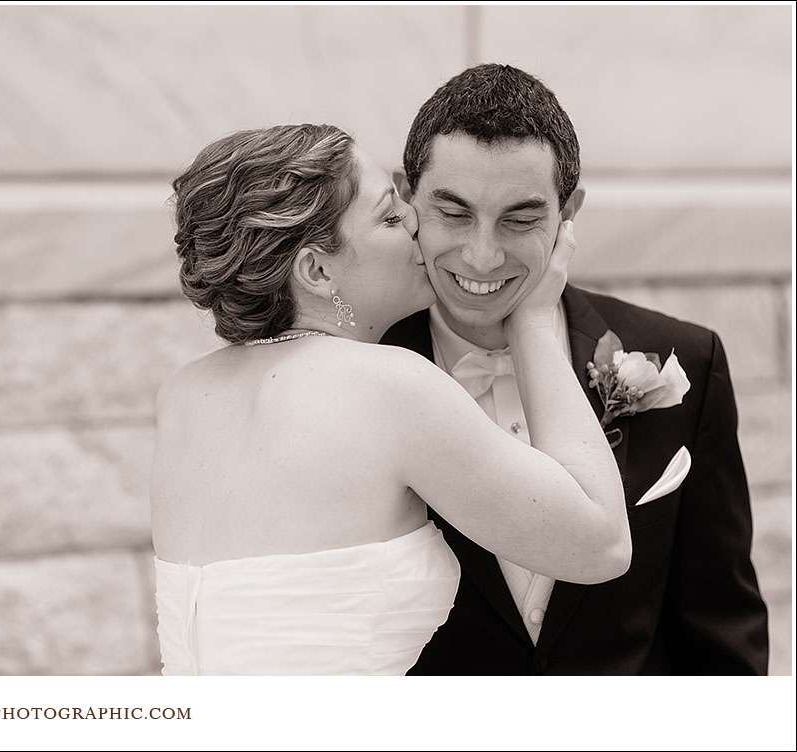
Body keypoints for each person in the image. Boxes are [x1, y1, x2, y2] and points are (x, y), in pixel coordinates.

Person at [150, 123, 630, 675]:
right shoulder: (390, 386)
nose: (414, 223)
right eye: (388, 214)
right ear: (316, 269)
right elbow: (602, 544)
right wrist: (537, 317)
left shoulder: (183, 395)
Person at [383, 63, 769, 675]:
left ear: (569, 212)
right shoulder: (361, 371)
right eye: (454, 213)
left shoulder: (685, 359)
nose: (483, 254)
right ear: (408, 199)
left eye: (521, 217)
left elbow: (722, 633)